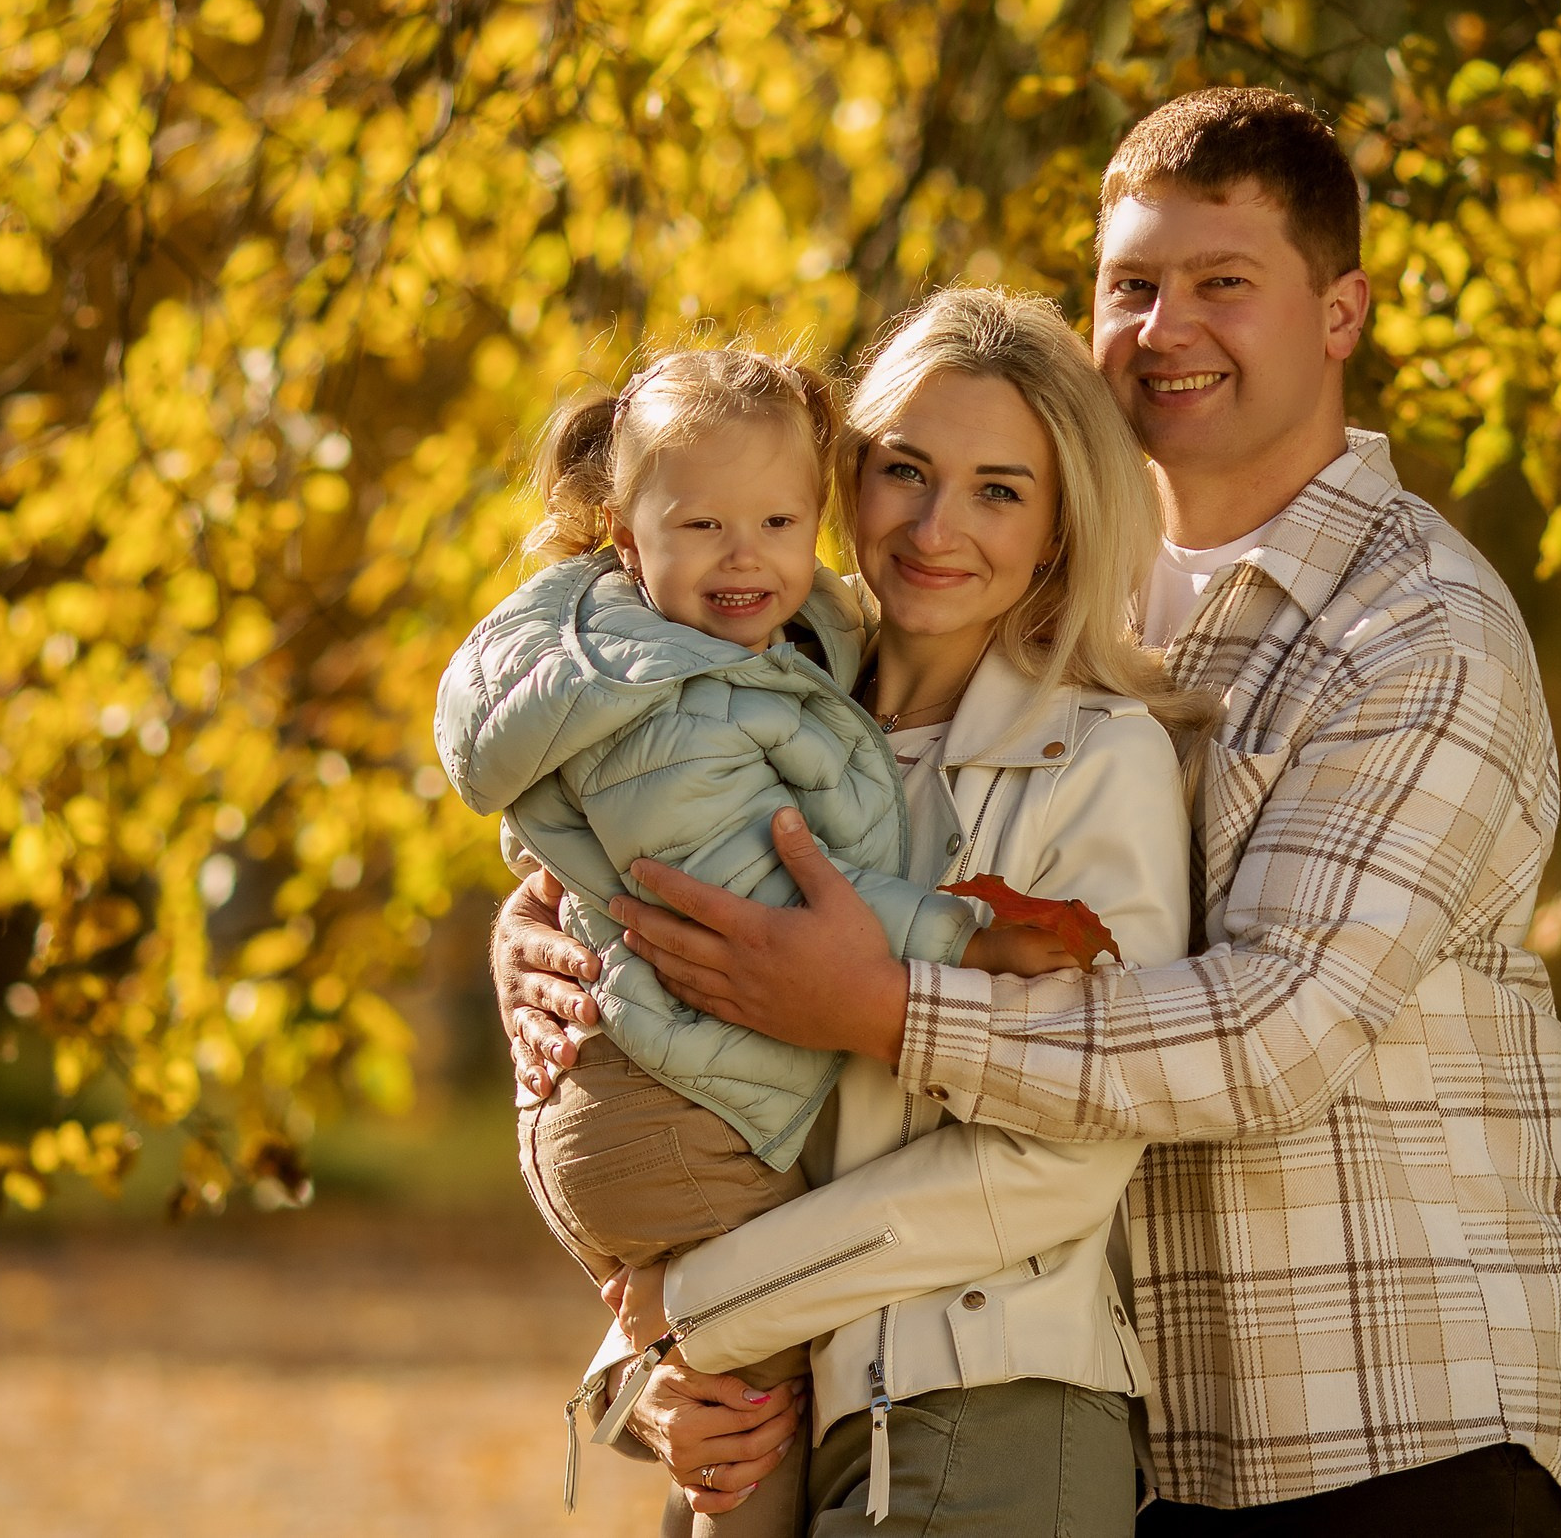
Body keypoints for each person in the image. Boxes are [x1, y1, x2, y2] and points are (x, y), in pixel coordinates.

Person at [498, 89, 1561, 1536]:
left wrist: (883, 1002)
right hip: (1138, 1434)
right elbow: (723, 1026)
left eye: (1225, 284)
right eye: (1132, 284)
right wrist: (549, 926)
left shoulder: (1412, 631)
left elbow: (1270, 1033)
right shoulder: (1011, 613)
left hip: (1387, 1427)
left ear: (1341, 314)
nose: (1167, 326)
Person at [435, 347, 1082, 1537]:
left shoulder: (807, 660)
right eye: (905, 474)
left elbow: (1060, 1152)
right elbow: (742, 897)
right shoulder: (715, 677)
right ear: (625, 543)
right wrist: (964, 945)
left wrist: (669, 1330)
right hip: (697, 1149)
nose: (939, 526)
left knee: (728, 1431)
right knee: (741, 1442)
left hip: (943, 1378)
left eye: (999, 488)